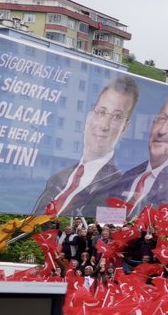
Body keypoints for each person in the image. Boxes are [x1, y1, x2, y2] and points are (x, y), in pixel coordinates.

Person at [33, 74, 139, 216]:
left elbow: (108, 226)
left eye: (117, 117)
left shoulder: (121, 189)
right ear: (89, 117)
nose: (104, 125)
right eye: (101, 112)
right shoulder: (58, 179)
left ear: (124, 128)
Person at [103, 89, 168, 212]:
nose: (162, 130)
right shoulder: (128, 175)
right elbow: (108, 214)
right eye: (161, 119)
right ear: (152, 124)